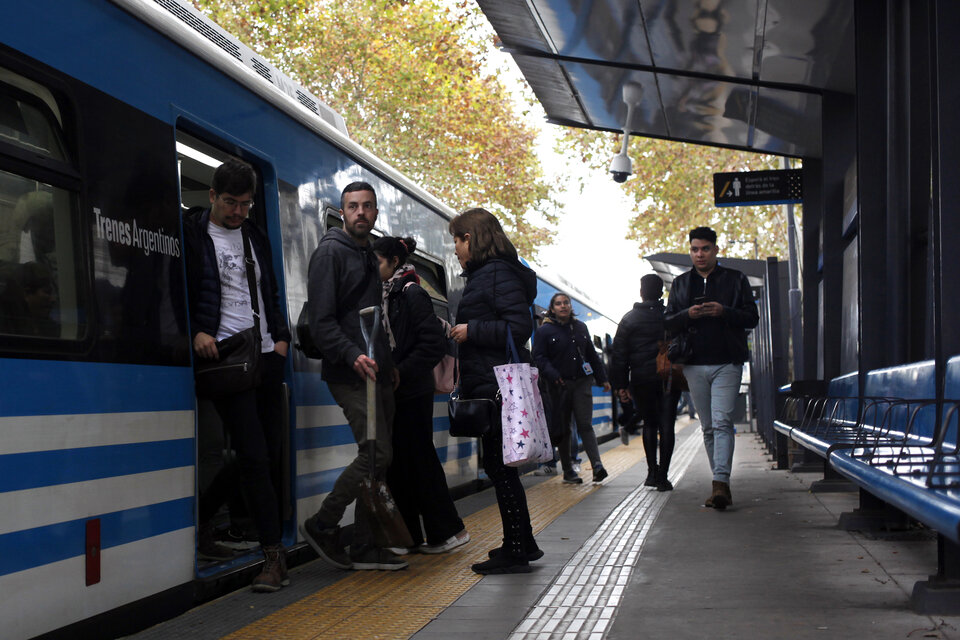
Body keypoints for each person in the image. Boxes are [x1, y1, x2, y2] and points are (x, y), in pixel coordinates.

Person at [183, 159, 291, 592]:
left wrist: (280, 339)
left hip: (266, 356)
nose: (238, 212)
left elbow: (271, 291)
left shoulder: (254, 236)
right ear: (211, 196)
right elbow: (174, 292)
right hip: (226, 359)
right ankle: (273, 558)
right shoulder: (193, 235)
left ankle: (205, 517)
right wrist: (196, 332)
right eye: (230, 202)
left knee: (260, 455)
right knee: (253, 456)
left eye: (245, 204)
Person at [299, 182, 407, 571]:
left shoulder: (365, 253)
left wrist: (389, 366)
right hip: (348, 371)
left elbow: (373, 318)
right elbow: (322, 322)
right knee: (376, 452)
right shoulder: (330, 253)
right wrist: (353, 355)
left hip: (376, 370)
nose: (360, 212)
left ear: (376, 213)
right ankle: (323, 522)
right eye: (352, 206)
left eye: (367, 207)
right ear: (342, 212)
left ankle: (365, 544)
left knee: (378, 460)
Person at [448, 208, 540, 574]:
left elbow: (518, 328)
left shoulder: (497, 273)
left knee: (501, 469)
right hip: (489, 382)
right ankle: (519, 542)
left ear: (470, 238)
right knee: (500, 468)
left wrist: (472, 331)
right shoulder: (489, 274)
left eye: (457, 239)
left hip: (497, 385)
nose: (454, 248)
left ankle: (517, 549)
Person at [373, 235, 470, 554]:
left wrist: (401, 370)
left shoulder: (412, 293)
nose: (374, 268)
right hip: (398, 390)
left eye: (378, 262)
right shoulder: (388, 295)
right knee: (401, 461)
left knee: (420, 460)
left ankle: (449, 531)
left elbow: (432, 343)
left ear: (394, 263)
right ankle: (409, 535)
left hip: (413, 390)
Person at [665, 226, 759, 510]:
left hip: (727, 362)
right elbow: (668, 322)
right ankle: (720, 482)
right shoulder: (681, 284)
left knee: (722, 422)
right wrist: (687, 314)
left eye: (705, 249)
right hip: (693, 364)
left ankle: (720, 483)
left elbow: (751, 317)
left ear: (716, 250)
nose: (699, 254)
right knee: (707, 427)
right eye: (694, 249)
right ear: (690, 251)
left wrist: (724, 311)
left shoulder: (735, 279)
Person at [533, 292, 611, 484]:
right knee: (565, 429)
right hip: (559, 386)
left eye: (566, 303)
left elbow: (592, 355)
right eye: (558, 304)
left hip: (582, 383)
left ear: (570, 306)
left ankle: (597, 466)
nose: (563, 306)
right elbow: (539, 358)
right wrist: (554, 375)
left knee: (585, 424)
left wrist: (603, 379)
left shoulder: (580, 327)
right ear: (552, 308)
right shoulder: (545, 331)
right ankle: (568, 471)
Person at [611, 274, 675, 491]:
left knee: (649, 423)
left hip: (641, 379)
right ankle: (663, 477)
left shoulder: (629, 319)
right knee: (667, 425)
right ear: (661, 292)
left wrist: (621, 386)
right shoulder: (670, 316)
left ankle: (651, 473)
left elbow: (619, 355)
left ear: (641, 292)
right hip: (668, 377)